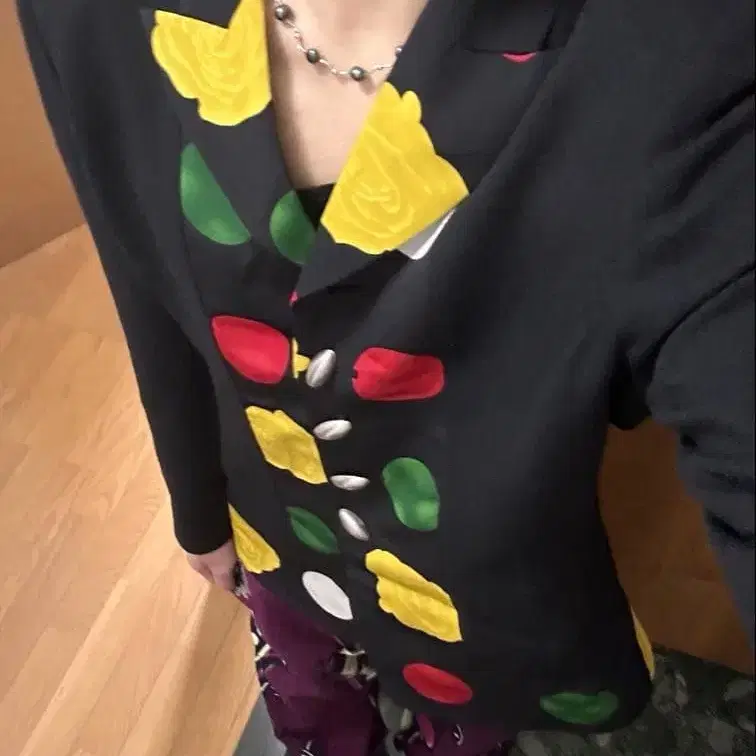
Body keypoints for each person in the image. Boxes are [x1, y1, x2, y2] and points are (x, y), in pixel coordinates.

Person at [18, 0, 754, 753]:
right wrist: (197, 507)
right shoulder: (88, 16)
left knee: (462, 736)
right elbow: (142, 283)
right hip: (277, 538)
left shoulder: (682, 52)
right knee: (310, 710)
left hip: (478, 604)